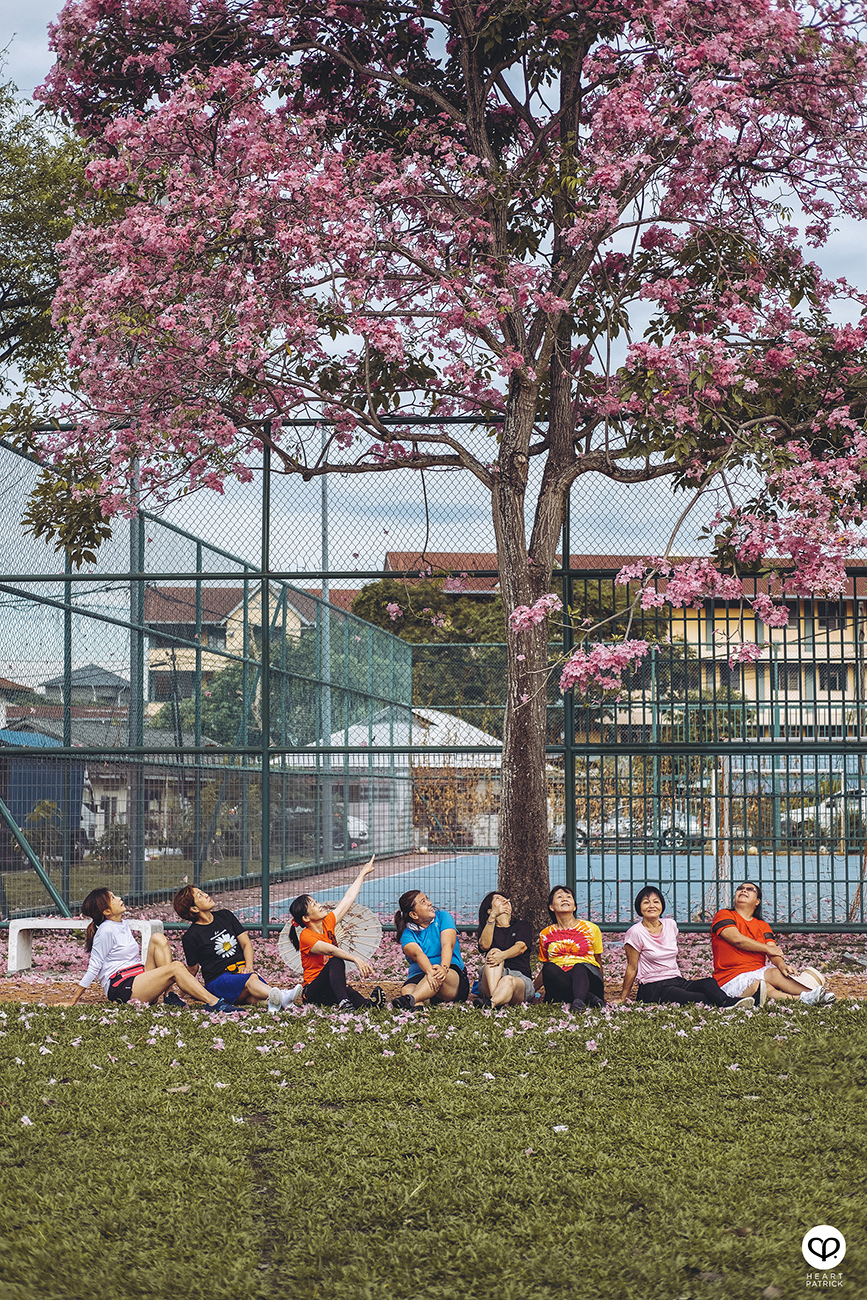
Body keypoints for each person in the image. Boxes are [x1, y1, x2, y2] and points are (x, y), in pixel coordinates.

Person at [61, 887, 238, 1011]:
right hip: (121, 987)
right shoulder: (105, 930)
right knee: (176, 967)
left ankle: (169, 996)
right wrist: (73, 1000)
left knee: (158, 938)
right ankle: (214, 1002)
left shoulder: (121, 924)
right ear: (106, 911)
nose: (119, 898)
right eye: (113, 898)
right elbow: (94, 967)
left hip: (138, 979)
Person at [619, 886, 753, 1010]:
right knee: (694, 998)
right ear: (639, 907)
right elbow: (632, 967)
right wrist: (623, 997)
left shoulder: (670, 925)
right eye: (646, 902)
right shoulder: (635, 932)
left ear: (661, 905)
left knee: (708, 983)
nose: (652, 906)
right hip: (654, 986)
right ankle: (730, 1003)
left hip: (676, 980)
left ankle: (730, 1001)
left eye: (656, 902)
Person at [175, 886, 301, 1011]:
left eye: (202, 892)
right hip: (218, 981)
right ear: (194, 908)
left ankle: (276, 1004)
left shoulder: (225, 916)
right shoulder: (191, 937)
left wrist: (249, 967)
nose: (206, 895)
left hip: (241, 973)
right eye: (199, 895)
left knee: (253, 996)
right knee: (252, 980)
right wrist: (180, 992)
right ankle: (284, 996)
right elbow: (192, 969)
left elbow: (246, 944)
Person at [711, 882, 835, 1005]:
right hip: (730, 977)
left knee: (776, 973)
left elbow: (773, 950)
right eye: (740, 888)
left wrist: (781, 965)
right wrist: (766, 948)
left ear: (757, 901)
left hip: (758, 971)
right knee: (760, 987)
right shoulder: (724, 914)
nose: (743, 891)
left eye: (749, 889)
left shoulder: (763, 925)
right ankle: (802, 999)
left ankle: (815, 993)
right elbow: (736, 939)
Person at [288, 856, 387, 1009]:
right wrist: (356, 959)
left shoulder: (328, 922)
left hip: (329, 988)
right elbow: (330, 949)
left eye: (316, 902)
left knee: (351, 993)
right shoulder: (306, 936)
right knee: (336, 960)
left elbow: (348, 899)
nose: (319, 905)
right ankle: (343, 1002)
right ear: (306, 918)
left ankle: (369, 1005)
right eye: (314, 905)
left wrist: (362, 873)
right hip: (312, 992)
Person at [394, 890, 470, 1009]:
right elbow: (418, 954)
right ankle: (417, 1007)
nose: (429, 903)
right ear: (414, 915)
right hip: (422, 975)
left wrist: (443, 968)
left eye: (427, 899)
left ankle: (411, 999)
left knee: (436, 974)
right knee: (407, 988)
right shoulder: (407, 934)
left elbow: (447, 944)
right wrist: (429, 971)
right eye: (423, 902)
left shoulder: (443, 917)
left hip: (450, 976)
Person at [537, 885, 605, 1011]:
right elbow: (545, 967)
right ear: (551, 907)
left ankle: (578, 1003)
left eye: (569, 897)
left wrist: (602, 989)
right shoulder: (545, 934)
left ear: (574, 906)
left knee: (579, 967)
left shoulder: (591, 929)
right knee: (549, 968)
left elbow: (597, 960)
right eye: (559, 897)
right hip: (560, 980)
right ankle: (589, 998)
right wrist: (531, 991)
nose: (565, 899)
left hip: (588, 978)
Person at [476, 891, 533, 1007]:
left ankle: (491, 1002)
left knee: (507, 980)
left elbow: (521, 947)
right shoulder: (488, 928)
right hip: (491, 976)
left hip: (518, 977)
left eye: (506, 899)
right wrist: (492, 917)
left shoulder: (522, 926)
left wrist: (503, 955)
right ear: (489, 910)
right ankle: (494, 999)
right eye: (498, 899)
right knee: (493, 952)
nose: (505, 901)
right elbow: (484, 946)